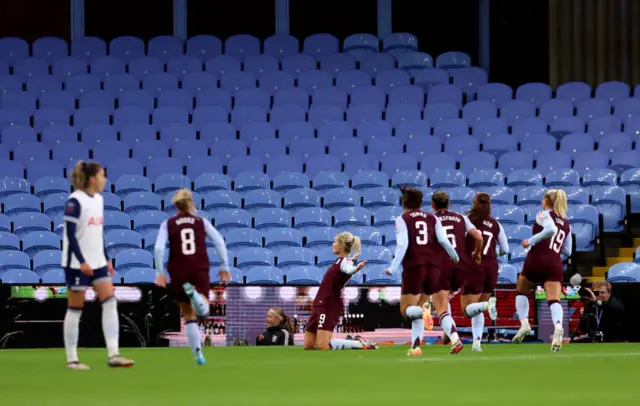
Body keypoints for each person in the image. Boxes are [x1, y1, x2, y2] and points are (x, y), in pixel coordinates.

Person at [62, 161, 134, 370]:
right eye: (102, 175)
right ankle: (72, 358)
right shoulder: (75, 201)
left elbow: (98, 233)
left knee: (110, 302)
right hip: (77, 264)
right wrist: (82, 260)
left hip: (98, 262)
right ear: (92, 178)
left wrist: (106, 257)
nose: (105, 180)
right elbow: (70, 234)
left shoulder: (99, 200)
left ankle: (113, 354)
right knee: (75, 308)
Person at [154, 189, 231, 365]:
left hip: (177, 267)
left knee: (188, 315)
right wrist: (224, 265)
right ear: (191, 203)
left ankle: (198, 354)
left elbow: (159, 247)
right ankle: (195, 295)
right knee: (203, 310)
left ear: (175, 205)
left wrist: (159, 272)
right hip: (199, 265)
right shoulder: (201, 221)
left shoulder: (168, 223)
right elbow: (219, 240)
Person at [385, 187, 461, 356]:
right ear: (421, 203)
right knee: (420, 306)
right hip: (434, 268)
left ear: (404, 202)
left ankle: (425, 312)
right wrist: (455, 257)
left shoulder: (402, 219)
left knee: (407, 310)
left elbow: (402, 244)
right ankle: (416, 346)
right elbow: (443, 240)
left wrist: (393, 267)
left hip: (414, 267)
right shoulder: (432, 218)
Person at [512, 189, 572, 352]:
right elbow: (569, 251)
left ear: (546, 201)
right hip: (555, 262)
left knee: (522, 290)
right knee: (554, 300)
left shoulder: (543, 214)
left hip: (537, 258)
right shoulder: (566, 223)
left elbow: (550, 230)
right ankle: (558, 326)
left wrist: (530, 241)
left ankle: (524, 323)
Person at [431, 191, 489, 352]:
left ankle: (454, 338)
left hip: (442, 265)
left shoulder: (431, 219)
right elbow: (478, 236)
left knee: (440, 305)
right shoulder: (461, 218)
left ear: (433, 205)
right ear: (449, 204)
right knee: (447, 299)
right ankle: (449, 334)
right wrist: (476, 253)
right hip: (461, 265)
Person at [304, 232, 377, 350]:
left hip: (328, 305)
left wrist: (355, 268)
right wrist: (353, 262)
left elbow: (348, 270)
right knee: (308, 346)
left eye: (335, 242)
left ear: (341, 246)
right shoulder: (341, 261)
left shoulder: (345, 261)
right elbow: (345, 269)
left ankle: (357, 343)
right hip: (318, 304)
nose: (333, 244)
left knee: (322, 346)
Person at [460, 193, 508, 352]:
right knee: (478, 307)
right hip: (492, 267)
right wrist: (494, 255)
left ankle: (488, 305)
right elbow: (505, 249)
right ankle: (477, 344)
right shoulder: (496, 224)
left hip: (474, 265)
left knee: (467, 309)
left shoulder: (468, 220)